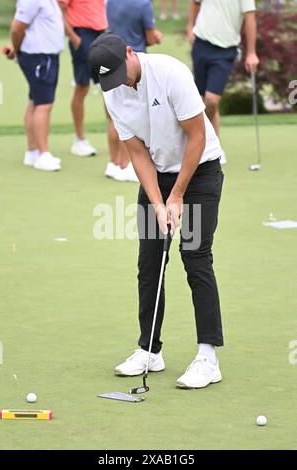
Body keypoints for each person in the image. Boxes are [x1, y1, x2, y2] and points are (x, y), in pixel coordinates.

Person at [89, 33, 224, 389]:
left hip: (200, 171)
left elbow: (196, 137)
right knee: (150, 261)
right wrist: (158, 201)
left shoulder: (170, 73)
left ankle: (208, 357)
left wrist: (177, 195)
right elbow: (137, 153)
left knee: (195, 255)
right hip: (157, 175)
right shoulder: (112, 91)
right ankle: (149, 349)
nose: (122, 82)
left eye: (122, 72)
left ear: (131, 53)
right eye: (112, 79)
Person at [187, 0, 259, 164]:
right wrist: (190, 26)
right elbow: (195, 3)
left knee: (212, 99)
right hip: (201, 44)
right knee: (202, 98)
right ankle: (215, 146)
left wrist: (251, 53)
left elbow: (250, 18)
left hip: (225, 50)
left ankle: (198, 139)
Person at [105, 0, 162, 182]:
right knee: (131, 115)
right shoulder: (143, 5)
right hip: (133, 67)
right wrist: (157, 36)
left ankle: (114, 163)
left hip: (110, 61)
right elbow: (151, 38)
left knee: (115, 115)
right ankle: (127, 165)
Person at [6, 0, 64, 172]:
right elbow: (17, 28)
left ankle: (32, 152)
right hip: (40, 57)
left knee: (35, 100)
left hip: (46, 57)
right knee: (44, 105)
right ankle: (42, 154)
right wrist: (16, 50)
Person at [58, 0, 108, 157]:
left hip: (101, 34)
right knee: (82, 87)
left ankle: (120, 136)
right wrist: (73, 37)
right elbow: (60, 8)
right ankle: (79, 140)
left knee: (109, 86)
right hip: (82, 34)